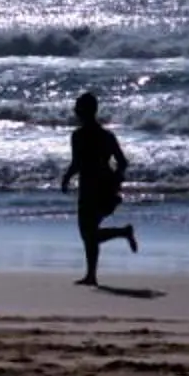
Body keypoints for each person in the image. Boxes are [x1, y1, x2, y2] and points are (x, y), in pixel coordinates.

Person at [59, 90, 138, 286]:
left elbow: (77, 162)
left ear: (84, 111)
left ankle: (93, 273)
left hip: (89, 187)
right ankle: (91, 275)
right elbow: (122, 162)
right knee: (90, 233)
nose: (75, 110)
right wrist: (116, 181)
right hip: (104, 186)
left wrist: (67, 178)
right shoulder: (106, 136)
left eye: (78, 107)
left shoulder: (78, 136)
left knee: (88, 234)